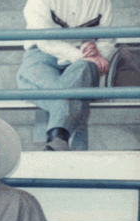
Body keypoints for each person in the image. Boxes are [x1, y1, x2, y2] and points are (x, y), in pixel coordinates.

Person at [17, 0, 115, 151]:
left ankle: (57, 139)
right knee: (71, 92)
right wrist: (81, 56)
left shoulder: (102, 2)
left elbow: (107, 41)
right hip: (42, 53)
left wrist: (97, 51)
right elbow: (45, 40)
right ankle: (65, 143)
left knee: (81, 73)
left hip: (82, 60)